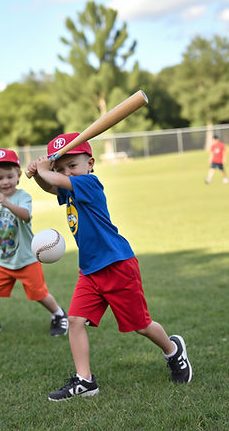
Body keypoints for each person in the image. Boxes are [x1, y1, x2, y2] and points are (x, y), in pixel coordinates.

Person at [27, 133, 192, 401]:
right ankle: (85, 381)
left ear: (90, 163)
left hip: (117, 265)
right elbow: (51, 187)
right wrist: (38, 175)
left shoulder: (90, 183)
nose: (67, 172)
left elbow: (55, 180)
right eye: (61, 167)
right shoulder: (68, 187)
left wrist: (47, 170)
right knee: (75, 320)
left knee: (141, 325)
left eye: (73, 165)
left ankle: (173, 350)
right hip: (90, 271)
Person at [0, 148, 68, 339]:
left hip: (27, 259)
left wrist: (7, 204)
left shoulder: (23, 197)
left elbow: (26, 215)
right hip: (3, 260)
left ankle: (59, 314)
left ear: (19, 175)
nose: (5, 181)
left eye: (9, 176)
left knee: (40, 294)